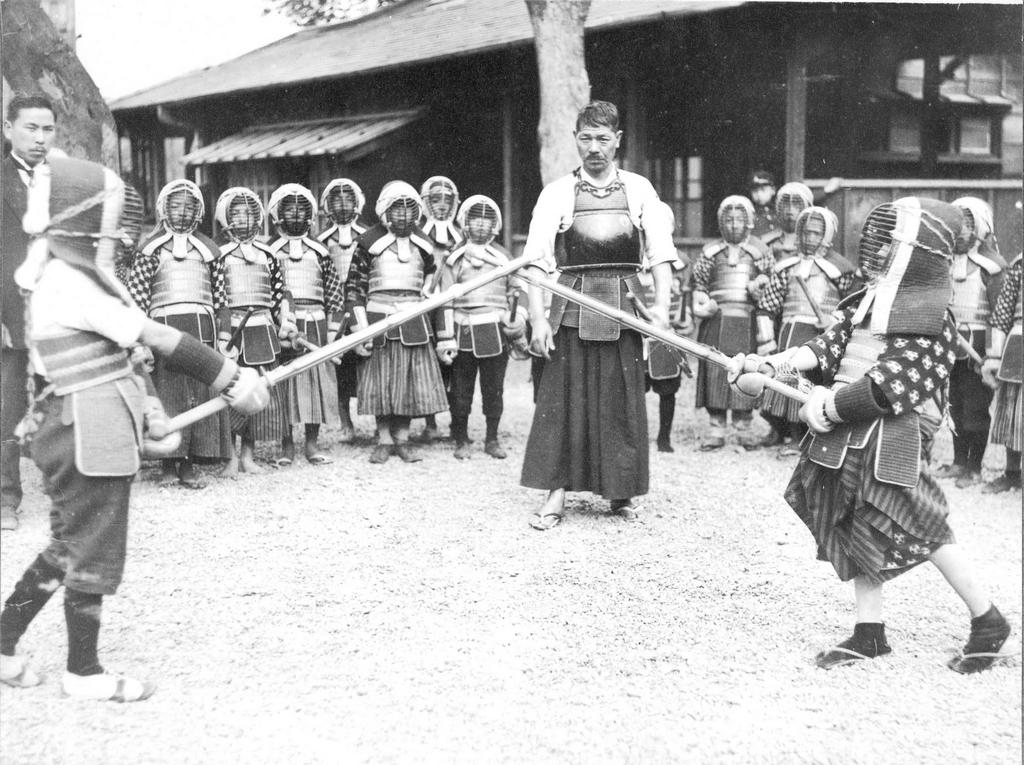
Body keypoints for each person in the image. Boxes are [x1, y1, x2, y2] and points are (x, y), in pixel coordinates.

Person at [0, 156, 269, 700]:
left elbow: (119, 359)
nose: (121, 234)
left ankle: (1, 643)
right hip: (84, 434)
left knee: (66, 544)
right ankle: (83, 672)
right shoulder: (67, 282)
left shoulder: (73, 275)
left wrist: (147, 411)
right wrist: (230, 378)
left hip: (86, 426)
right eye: (112, 220)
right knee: (91, 549)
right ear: (84, 224)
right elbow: (159, 339)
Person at [729, 197, 1012, 674]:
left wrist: (828, 405)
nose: (877, 250)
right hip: (852, 431)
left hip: (889, 433)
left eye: (890, 243)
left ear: (917, 252)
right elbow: (828, 345)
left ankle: (988, 621)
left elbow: (890, 386)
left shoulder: (931, 316)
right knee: (855, 518)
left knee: (924, 524)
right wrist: (771, 363)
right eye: (877, 241)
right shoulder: (867, 299)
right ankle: (870, 632)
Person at [519, 100, 676, 531]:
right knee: (563, 399)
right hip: (570, 302)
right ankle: (556, 492)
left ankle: (620, 491)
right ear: (575, 140)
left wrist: (661, 307)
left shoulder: (640, 189)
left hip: (625, 303)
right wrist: (537, 317)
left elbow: (660, 253)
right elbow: (536, 260)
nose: (594, 148)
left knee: (622, 399)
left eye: (603, 139)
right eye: (586, 138)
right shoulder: (557, 192)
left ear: (617, 141)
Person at [127, 180, 232, 488]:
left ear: (198, 211)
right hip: (164, 331)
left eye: (189, 206)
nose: (183, 212)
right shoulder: (149, 248)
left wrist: (224, 337)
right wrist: (140, 343)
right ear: (163, 208)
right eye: (176, 205)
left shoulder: (210, 250)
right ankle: (168, 463)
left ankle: (190, 462)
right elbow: (136, 299)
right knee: (168, 396)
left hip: (202, 330)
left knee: (197, 396)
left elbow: (221, 298)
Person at [345, 181, 449, 464]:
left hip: (413, 318)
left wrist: (430, 286)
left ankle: (402, 438)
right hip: (378, 317)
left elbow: (431, 279)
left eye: (408, 209)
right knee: (381, 381)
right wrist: (360, 329)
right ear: (384, 211)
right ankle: (383, 439)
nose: (403, 215)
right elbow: (354, 288)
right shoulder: (368, 243)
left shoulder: (424, 244)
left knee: (408, 381)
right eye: (397, 209)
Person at [755, 206, 858, 451]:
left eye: (815, 233)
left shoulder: (841, 270)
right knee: (782, 378)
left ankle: (802, 434)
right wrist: (767, 341)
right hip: (788, 332)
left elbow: (853, 306)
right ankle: (779, 430)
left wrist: (834, 321)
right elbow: (766, 307)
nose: (809, 238)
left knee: (809, 383)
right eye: (805, 233)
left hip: (820, 337)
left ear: (826, 236)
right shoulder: (785, 268)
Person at [434, 195, 526, 460]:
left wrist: (516, 317)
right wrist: (445, 338)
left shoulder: (504, 257)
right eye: (476, 219)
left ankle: (492, 438)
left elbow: (517, 291)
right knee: (461, 390)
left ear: (495, 224)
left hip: (495, 332)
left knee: (493, 388)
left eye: (487, 219)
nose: (481, 225)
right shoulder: (454, 259)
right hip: (462, 331)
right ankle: (461, 439)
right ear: (465, 222)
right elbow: (445, 299)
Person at [2, 94, 56, 531]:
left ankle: (65, 490)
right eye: (30, 128)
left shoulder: (64, 181)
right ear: (8, 130)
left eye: (47, 129)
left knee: (57, 397)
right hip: (8, 310)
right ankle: (6, 499)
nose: (40, 138)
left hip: (58, 310)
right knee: (7, 403)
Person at [213, 187, 292, 475]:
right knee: (230, 394)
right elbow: (216, 297)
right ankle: (230, 458)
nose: (244, 220)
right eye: (237, 214)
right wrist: (221, 334)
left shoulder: (269, 255)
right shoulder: (218, 256)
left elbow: (279, 293)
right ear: (226, 218)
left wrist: (284, 321)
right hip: (232, 333)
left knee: (256, 393)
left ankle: (248, 455)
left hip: (263, 332)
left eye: (249, 213)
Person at [691, 195, 773, 450]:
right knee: (716, 369)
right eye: (729, 219)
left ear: (749, 222)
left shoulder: (759, 251)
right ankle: (716, 426)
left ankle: (743, 426)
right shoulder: (710, 252)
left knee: (747, 368)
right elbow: (699, 284)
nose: (734, 225)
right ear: (720, 222)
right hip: (716, 319)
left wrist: (761, 286)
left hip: (747, 319)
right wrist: (703, 302)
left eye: (740, 219)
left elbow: (771, 282)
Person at [268, 184, 343, 465]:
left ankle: (312, 443)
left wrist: (334, 331)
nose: (296, 214)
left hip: (316, 323)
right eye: (289, 209)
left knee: (316, 383)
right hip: (284, 324)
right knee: (284, 383)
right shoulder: (270, 250)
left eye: (302, 209)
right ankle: (286, 444)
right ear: (278, 213)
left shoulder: (320, 252)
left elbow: (334, 293)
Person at [934, 196, 1005, 488]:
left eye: (967, 224)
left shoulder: (993, 268)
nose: (961, 231)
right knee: (955, 405)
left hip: (978, 347)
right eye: (956, 224)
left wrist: (993, 354)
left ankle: (975, 466)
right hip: (952, 344)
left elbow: (1000, 313)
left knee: (976, 408)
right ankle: (959, 461)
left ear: (980, 227)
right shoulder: (945, 264)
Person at [318, 178, 368, 442]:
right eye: (336, 199)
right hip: (334, 308)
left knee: (367, 363)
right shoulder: (321, 241)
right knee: (340, 367)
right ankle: (345, 422)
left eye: (348, 199)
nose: (343, 204)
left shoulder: (368, 236)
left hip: (362, 306)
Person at [418, 175, 462, 441]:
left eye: (448, 200)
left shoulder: (462, 235)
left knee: (456, 362)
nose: (442, 206)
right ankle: (429, 421)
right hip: (427, 305)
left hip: (456, 305)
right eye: (436, 200)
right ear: (426, 202)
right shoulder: (419, 234)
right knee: (428, 360)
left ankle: (457, 422)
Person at [981, 252, 1022, 493]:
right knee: (1015, 410)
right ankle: (1013, 473)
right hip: (1020, 346)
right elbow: (1003, 314)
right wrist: (995, 357)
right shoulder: (1019, 266)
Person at [758, 182, 814, 262]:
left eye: (796, 205)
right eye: (786, 205)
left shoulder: (815, 243)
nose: (790, 210)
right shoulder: (766, 242)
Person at [748, 170, 777, 239]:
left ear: (773, 190)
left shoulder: (779, 212)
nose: (759, 194)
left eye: (763, 190)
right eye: (755, 191)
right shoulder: (750, 214)